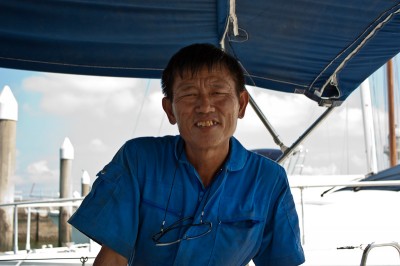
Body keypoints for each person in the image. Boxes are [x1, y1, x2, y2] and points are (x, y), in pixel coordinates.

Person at [68, 43, 305, 266]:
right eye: (189, 94)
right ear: (169, 110)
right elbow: (113, 259)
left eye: (218, 92)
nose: (204, 106)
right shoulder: (138, 160)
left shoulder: (269, 180)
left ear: (241, 104)